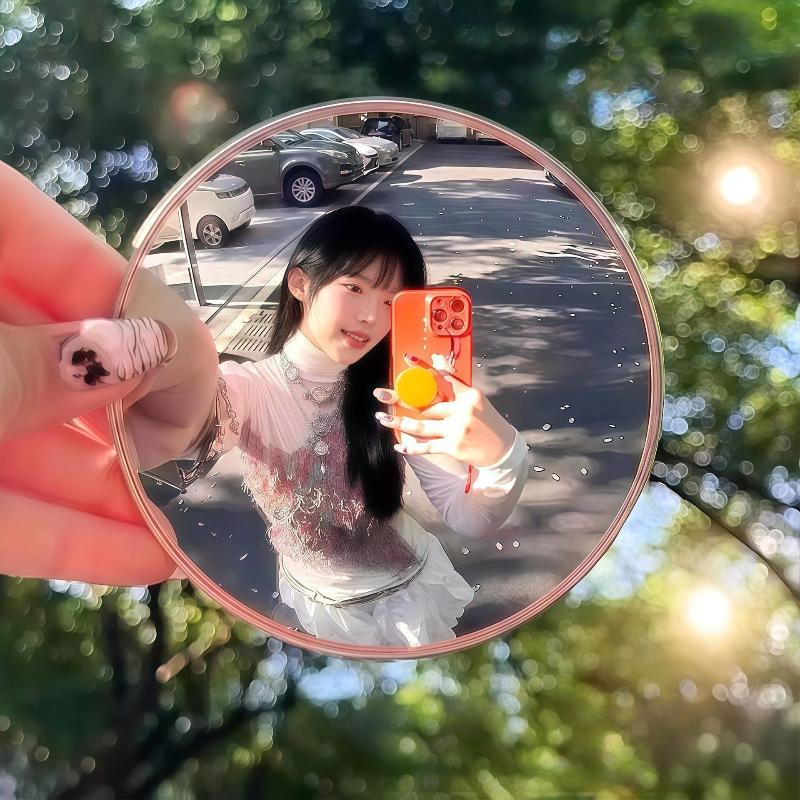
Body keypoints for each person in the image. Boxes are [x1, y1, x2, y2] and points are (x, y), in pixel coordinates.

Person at [122, 206, 528, 647]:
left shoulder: (398, 394)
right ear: (300, 283)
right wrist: (151, 349)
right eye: (354, 287)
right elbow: (181, 423)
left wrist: (502, 455)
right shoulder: (250, 388)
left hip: (407, 599)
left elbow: (470, 517)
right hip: (311, 607)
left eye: (391, 302)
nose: (372, 317)